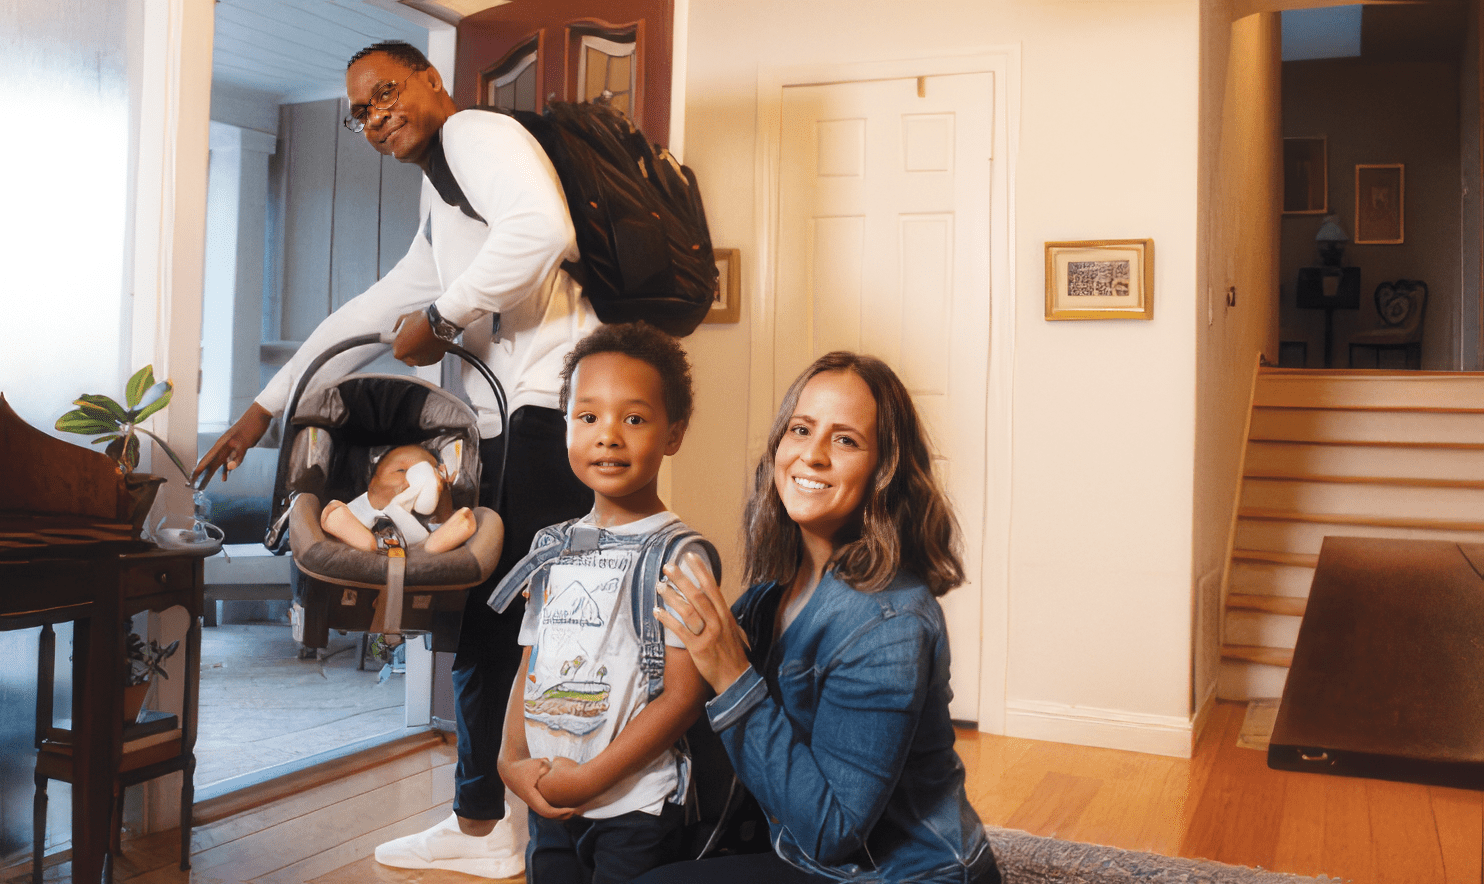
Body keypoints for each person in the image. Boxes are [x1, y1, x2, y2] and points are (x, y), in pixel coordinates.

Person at [192, 40, 595, 878]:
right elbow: (376, 310)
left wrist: (444, 318)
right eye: (361, 112)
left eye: (386, 93)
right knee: (489, 622)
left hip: (546, 410)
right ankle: (485, 820)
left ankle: (529, 825)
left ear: (432, 83)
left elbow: (543, 229)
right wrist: (266, 408)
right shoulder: (440, 191)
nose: (377, 117)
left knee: (527, 623)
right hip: (509, 414)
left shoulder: (478, 135)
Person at [638, 352, 1002, 884]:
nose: (812, 455)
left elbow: (832, 834)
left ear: (885, 470)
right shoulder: (771, 599)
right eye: (801, 429)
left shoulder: (889, 624)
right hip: (805, 856)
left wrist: (732, 676)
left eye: (845, 439)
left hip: (895, 876)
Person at [493, 322, 712, 884]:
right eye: (587, 417)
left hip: (635, 808)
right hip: (549, 796)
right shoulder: (552, 546)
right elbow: (531, 664)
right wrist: (510, 760)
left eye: (633, 418)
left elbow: (684, 697)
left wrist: (591, 780)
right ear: (566, 424)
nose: (608, 436)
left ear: (674, 434)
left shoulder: (679, 555)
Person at [320, 443, 476, 554]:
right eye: (400, 471)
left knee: (447, 530)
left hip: (419, 535)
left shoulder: (431, 492)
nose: (404, 483)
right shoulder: (360, 509)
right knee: (339, 516)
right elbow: (335, 516)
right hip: (367, 524)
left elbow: (453, 518)